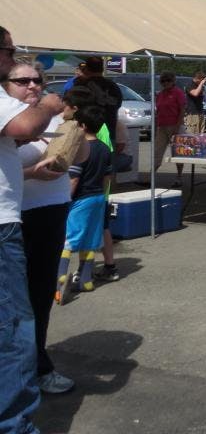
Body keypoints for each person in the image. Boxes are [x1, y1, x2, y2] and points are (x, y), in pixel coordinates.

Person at [1, 26, 65, 433]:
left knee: (28, 309)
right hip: (10, 225)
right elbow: (23, 131)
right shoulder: (17, 112)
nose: (32, 85)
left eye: (38, 80)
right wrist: (51, 104)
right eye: (11, 55)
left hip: (39, 213)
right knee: (14, 328)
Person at [5, 64, 75, 394]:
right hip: (16, 216)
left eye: (38, 80)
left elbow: (82, 154)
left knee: (39, 296)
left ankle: (39, 365)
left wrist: (76, 134)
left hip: (51, 211)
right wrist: (33, 172)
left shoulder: (51, 117)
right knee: (14, 306)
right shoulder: (12, 119)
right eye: (22, 80)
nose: (33, 86)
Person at [55, 106, 111, 303]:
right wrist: (103, 196)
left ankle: (60, 279)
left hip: (80, 199)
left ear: (83, 125)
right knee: (89, 240)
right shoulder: (104, 148)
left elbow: (74, 179)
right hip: (98, 198)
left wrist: (65, 200)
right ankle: (86, 280)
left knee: (67, 240)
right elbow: (107, 176)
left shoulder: (80, 148)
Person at [72, 56, 122, 141]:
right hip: (108, 131)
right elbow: (117, 104)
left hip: (86, 134)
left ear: (87, 69)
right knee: (106, 153)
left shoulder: (82, 85)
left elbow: (73, 105)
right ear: (102, 69)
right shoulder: (113, 86)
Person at [153, 72, 187, 185]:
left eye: (168, 80)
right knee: (157, 151)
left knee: (178, 153)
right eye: (163, 81)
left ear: (173, 81)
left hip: (175, 125)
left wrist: (177, 127)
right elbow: (157, 112)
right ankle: (151, 177)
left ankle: (179, 177)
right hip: (162, 126)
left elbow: (182, 110)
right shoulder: (160, 94)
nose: (165, 83)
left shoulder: (178, 93)